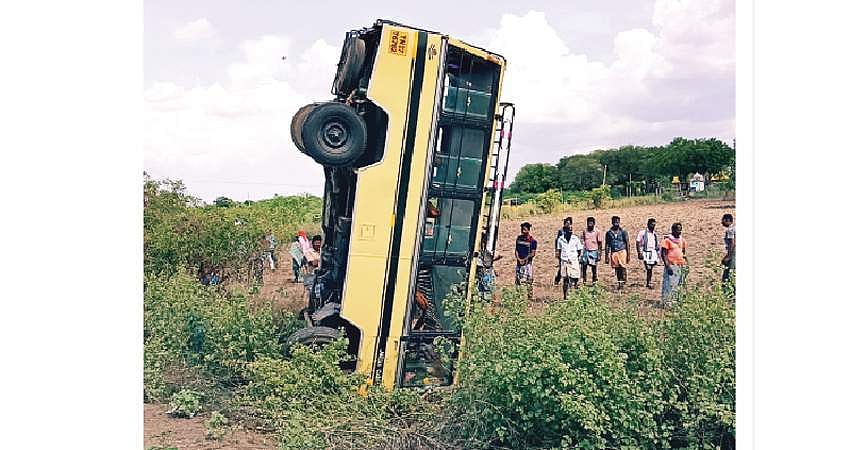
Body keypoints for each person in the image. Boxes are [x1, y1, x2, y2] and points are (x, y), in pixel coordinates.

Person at [660, 222, 687, 307]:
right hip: (671, 265)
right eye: (677, 230)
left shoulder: (682, 240)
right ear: (673, 230)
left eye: (680, 230)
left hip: (680, 265)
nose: (679, 232)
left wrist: (686, 264)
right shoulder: (667, 240)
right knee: (669, 283)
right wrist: (667, 266)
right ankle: (667, 302)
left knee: (678, 283)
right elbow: (663, 254)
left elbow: (683, 252)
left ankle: (675, 301)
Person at [555, 218, 582, 299]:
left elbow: (579, 250)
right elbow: (559, 250)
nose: (570, 232)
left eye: (571, 230)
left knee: (576, 278)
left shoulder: (575, 239)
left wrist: (574, 257)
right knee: (565, 280)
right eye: (568, 230)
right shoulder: (561, 239)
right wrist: (561, 258)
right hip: (564, 261)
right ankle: (565, 296)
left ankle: (577, 295)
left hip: (573, 260)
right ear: (565, 231)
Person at [605, 216, 630, 290]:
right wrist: (606, 256)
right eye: (614, 221)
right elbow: (607, 244)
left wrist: (628, 255)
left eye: (617, 221)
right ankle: (619, 282)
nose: (616, 223)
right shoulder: (609, 233)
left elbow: (627, 243)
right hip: (614, 252)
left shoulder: (623, 232)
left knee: (622, 267)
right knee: (617, 268)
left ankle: (623, 281)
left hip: (622, 251)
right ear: (612, 222)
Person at [515, 222, 537, 299]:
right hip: (519, 263)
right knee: (518, 281)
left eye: (524, 229)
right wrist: (518, 259)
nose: (523, 231)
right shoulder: (519, 238)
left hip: (528, 264)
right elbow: (516, 250)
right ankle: (518, 297)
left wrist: (524, 259)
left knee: (529, 280)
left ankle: (529, 297)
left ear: (528, 230)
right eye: (522, 229)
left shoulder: (532, 241)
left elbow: (533, 254)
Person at [636, 218, 660, 289]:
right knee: (648, 267)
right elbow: (637, 242)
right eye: (652, 225)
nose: (653, 226)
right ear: (648, 224)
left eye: (654, 225)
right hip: (645, 251)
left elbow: (656, 244)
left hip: (653, 252)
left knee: (651, 268)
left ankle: (648, 282)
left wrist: (657, 253)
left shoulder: (654, 234)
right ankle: (649, 282)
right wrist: (639, 252)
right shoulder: (642, 233)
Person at [579, 217, 603, 285]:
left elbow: (600, 244)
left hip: (594, 251)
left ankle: (594, 281)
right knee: (584, 267)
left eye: (591, 223)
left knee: (594, 268)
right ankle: (584, 281)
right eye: (588, 223)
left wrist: (599, 254)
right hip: (586, 251)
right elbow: (582, 240)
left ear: (594, 223)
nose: (590, 224)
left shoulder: (597, 231)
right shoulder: (584, 231)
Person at [553, 217, 572, 285]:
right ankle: (557, 279)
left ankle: (567, 280)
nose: (568, 225)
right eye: (567, 223)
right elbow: (557, 241)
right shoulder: (561, 231)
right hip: (561, 251)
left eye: (569, 223)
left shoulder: (570, 230)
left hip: (568, 251)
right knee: (562, 266)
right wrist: (557, 251)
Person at [721, 213, 736, 284]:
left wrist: (728, 257)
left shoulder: (730, 230)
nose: (722, 222)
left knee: (728, 274)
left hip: (733, 253)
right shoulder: (735, 228)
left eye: (723, 220)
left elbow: (732, 243)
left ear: (727, 220)